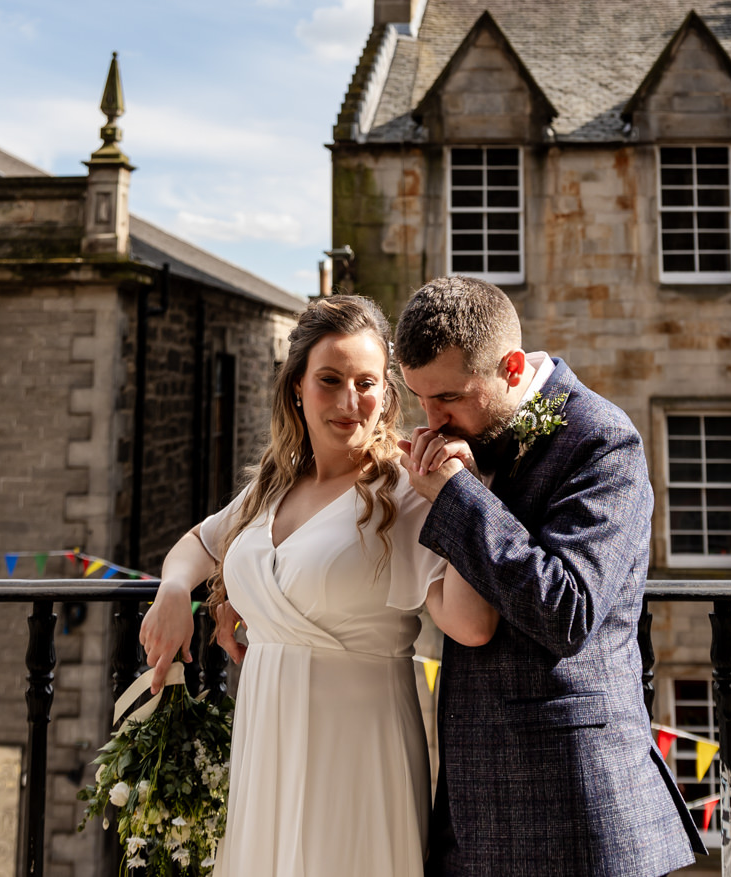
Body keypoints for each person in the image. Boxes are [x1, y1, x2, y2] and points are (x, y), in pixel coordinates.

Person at [141, 294, 500, 877]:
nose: (349, 402)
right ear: (297, 388)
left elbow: (472, 624)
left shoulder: (409, 490)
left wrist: (466, 498)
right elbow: (200, 545)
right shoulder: (274, 484)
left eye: (366, 382)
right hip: (265, 734)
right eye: (330, 380)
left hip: (359, 747)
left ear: (387, 393)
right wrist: (175, 592)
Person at [400, 276, 702, 877]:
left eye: (450, 398)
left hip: (571, 805)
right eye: (420, 398)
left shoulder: (602, 441)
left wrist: (459, 495)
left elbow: (565, 611)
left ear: (511, 367)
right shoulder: (466, 436)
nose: (433, 419)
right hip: (469, 812)